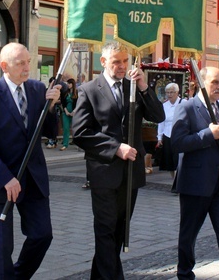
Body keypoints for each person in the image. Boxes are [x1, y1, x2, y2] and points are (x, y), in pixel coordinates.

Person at [72, 40, 165, 280]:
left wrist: (144, 86)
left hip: (130, 173)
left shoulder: (133, 87)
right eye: (116, 62)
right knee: (105, 230)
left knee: (119, 231)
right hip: (104, 171)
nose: (122, 66)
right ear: (103, 62)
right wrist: (115, 148)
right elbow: (80, 133)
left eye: (125, 61)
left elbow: (158, 115)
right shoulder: (89, 90)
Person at [0, 42, 61, 279]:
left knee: (42, 235)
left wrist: (51, 107)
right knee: (3, 248)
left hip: (33, 178)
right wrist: (6, 178)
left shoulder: (37, 89)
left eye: (29, 61)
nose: (26, 67)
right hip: (1, 181)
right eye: (20, 63)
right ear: (4, 66)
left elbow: (51, 132)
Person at [170, 66, 219, 280]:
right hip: (195, 184)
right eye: (215, 82)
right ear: (201, 83)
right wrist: (207, 134)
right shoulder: (187, 107)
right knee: (189, 235)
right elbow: (177, 143)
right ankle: (185, 273)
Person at [157, 82, 181, 177]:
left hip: (179, 136)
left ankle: (179, 183)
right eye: (167, 92)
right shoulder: (164, 105)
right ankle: (174, 182)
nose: (169, 95)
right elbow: (161, 122)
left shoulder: (184, 103)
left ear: (177, 92)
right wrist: (159, 137)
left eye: (172, 92)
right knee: (170, 163)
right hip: (167, 136)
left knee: (178, 161)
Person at [60, 78, 78, 151]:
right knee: (66, 128)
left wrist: (74, 112)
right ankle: (65, 144)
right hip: (66, 112)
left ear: (72, 84)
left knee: (75, 129)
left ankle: (77, 144)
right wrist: (66, 111)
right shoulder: (65, 92)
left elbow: (79, 103)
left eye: (69, 83)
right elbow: (63, 103)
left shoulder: (76, 92)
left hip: (75, 113)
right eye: (67, 83)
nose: (68, 85)